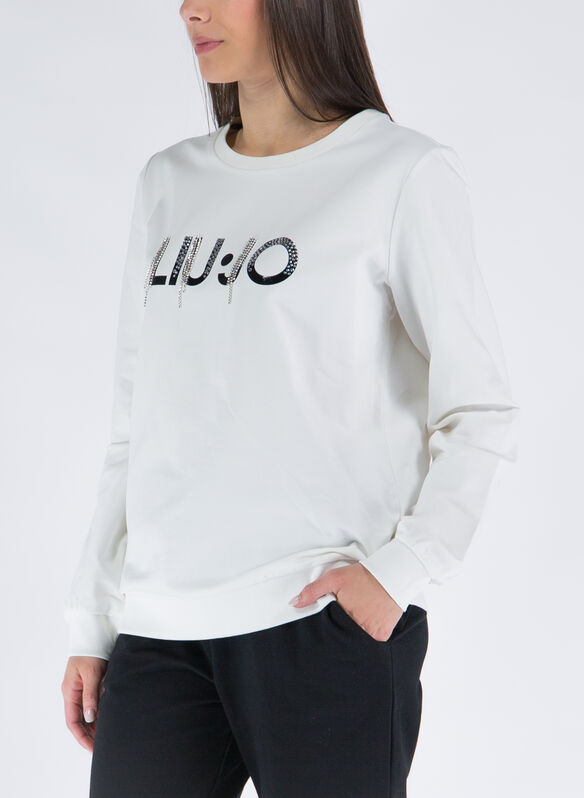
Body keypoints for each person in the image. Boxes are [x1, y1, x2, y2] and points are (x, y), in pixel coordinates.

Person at [61, 1, 520, 796]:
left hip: (321, 624)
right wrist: (94, 619)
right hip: (161, 632)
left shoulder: (399, 173)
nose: (190, 8)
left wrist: (401, 572)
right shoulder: (170, 181)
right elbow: (137, 424)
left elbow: (478, 408)